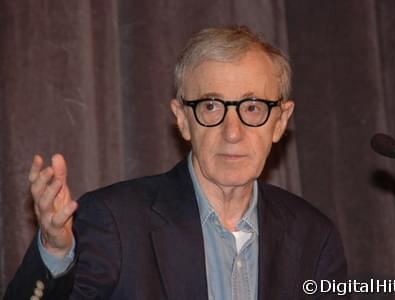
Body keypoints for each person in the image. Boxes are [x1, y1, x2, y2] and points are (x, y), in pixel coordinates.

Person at [4, 26, 347, 300]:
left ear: (281, 122)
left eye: (253, 107)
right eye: (211, 107)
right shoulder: (116, 222)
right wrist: (55, 254)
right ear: (182, 119)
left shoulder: (313, 237)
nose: (233, 132)